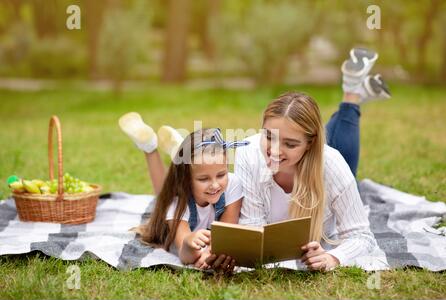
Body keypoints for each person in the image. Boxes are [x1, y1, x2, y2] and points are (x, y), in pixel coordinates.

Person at [228, 48, 391, 271]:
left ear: (311, 144)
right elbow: (252, 228)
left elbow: (362, 236)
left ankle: (353, 94)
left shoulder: (331, 164)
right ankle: (355, 93)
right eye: (268, 136)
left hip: (324, 166)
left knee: (341, 159)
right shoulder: (248, 152)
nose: (274, 151)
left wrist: (333, 257)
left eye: (290, 144)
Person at [118, 115, 248, 272]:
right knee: (163, 195)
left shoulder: (233, 184)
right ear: (186, 180)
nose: (215, 184)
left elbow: (227, 230)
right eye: (203, 178)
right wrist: (189, 243)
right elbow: (184, 255)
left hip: (190, 171)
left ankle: (178, 149)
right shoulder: (177, 201)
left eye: (221, 174)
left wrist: (209, 251)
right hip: (175, 207)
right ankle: (149, 146)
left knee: (195, 164)